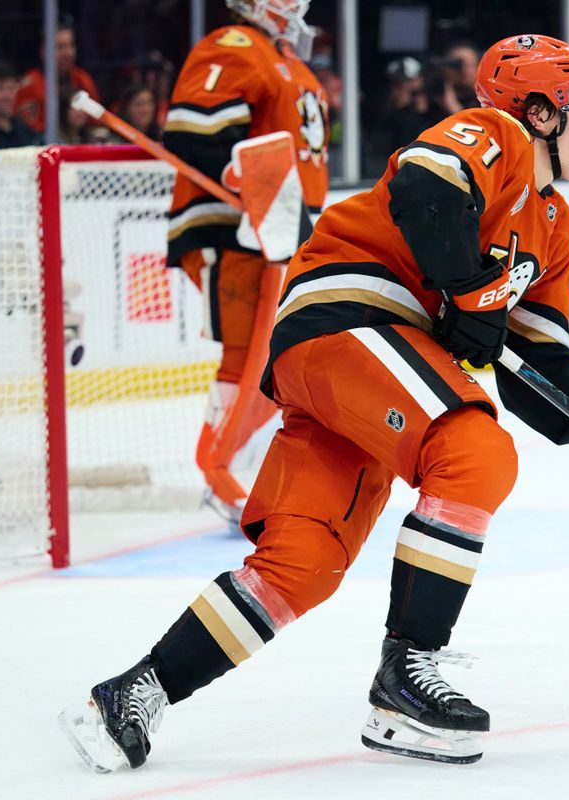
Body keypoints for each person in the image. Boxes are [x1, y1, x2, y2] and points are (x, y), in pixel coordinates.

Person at [59, 33, 569, 772]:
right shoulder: (498, 134)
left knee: (301, 566)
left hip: (359, 369)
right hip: (350, 319)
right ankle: (406, 677)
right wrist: (467, 288)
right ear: (541, 112)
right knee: (473, 449)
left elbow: (538, 369)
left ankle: (134, 692)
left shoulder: (553, 227)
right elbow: (424, 185)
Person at [161, 0, 329, 523]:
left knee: (277, 354)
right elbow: (194, 132)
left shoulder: (289, 63)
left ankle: (248, 465)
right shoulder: (231, 47)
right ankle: (223, 471)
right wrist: (249, 180)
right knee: (247, 350)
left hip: (280, 234)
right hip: (237, 230)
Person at [14, 22, 101, 134]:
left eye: (71, 45)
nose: (68, 52)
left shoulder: (83, 78)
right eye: (60, 47)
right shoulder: (30, 84)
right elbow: (28, 130)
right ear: (43, 51)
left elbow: (96, 122)